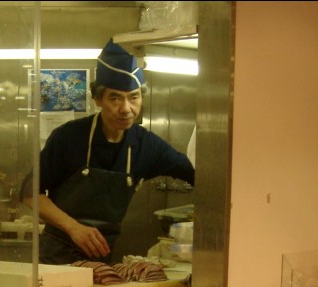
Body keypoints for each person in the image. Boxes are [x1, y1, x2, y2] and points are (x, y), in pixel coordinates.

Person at [21, 39, 195, 265]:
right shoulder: (69, 137)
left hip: (103, 256)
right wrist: (74, 228)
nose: (126, 109)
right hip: (57, 254)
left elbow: (196, 174)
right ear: (98, 99)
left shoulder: (147, 146)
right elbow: (29, 194)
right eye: (115, 98)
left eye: (134, 97)